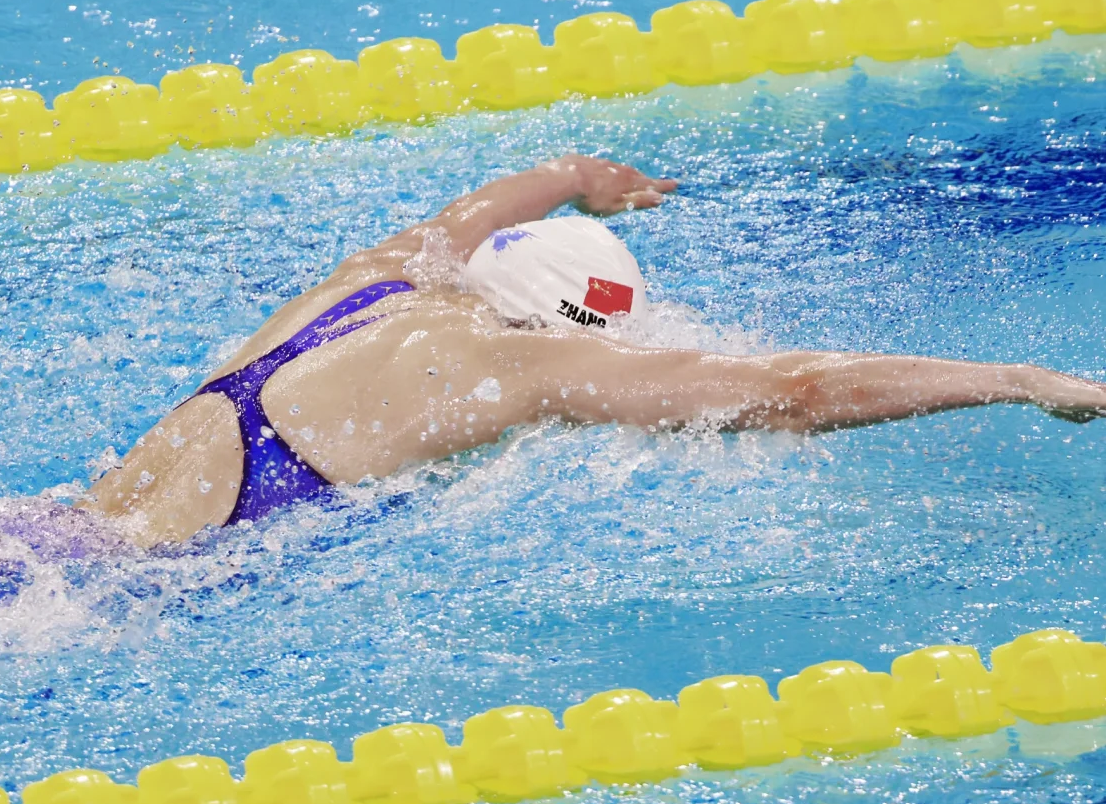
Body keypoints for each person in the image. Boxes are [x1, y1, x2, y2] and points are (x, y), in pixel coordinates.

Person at [82, 154, 1106, 547]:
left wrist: (578, 174)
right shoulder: (519, 364)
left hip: (45, 537)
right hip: (115, 601)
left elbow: (466, 213)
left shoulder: (377, 280)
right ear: (571, 329)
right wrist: (1014, 380)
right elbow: (793, 392)